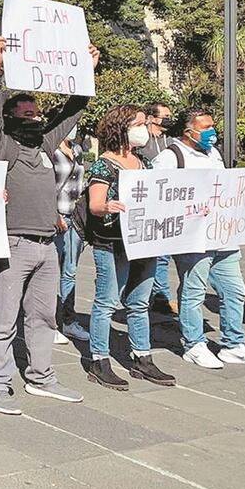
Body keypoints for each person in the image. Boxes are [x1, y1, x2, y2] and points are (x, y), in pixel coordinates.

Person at [0, 36, 98, 416]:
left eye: (36, 113)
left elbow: (72, 112)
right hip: (13, 245)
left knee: (43, 316)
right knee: (3, 319)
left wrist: (86, 73)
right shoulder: (2, 147)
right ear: (14, 117)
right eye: (28, 113)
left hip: (47, 246)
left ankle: (42, 377)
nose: (36, 117)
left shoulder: (45, 146)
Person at [152, 109, 245, 369]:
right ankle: (193, 344)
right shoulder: (170, 157)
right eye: (205, 128)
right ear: (188, 131)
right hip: (193, 240)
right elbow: (159, 195)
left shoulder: (214, 154)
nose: (211, 132)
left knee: (234, 290)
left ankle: (233, 344)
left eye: (212, 126)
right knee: (193, 291)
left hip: (223, 235)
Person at [84, 105, 175, 390]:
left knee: (139, 302)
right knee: (107, 301)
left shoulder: (143, 163)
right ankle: (99, 360)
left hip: (143, 242)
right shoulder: (104, 165)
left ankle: (142, 357)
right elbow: (95, 204)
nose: (144, 128)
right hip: (111, 243)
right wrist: (107, 206)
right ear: (120, 128)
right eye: (138, 123)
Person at [52, 126, 90, 345]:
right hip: (55, 217)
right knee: (49, 273)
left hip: (74, 218)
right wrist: (52, 213)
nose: (73, 129)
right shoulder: (49, 150)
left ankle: (68, 321)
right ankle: (50, 323)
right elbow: (47, 184)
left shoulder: (76, 149)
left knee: (70, 272)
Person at [141, 102, 178, 317]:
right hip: (148, 205)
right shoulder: (141, 141)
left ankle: (160, 296)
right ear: (151, 118)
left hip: (168, 205)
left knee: (163, 256)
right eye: (165, 116)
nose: (169, 119)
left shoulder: (170, 142)